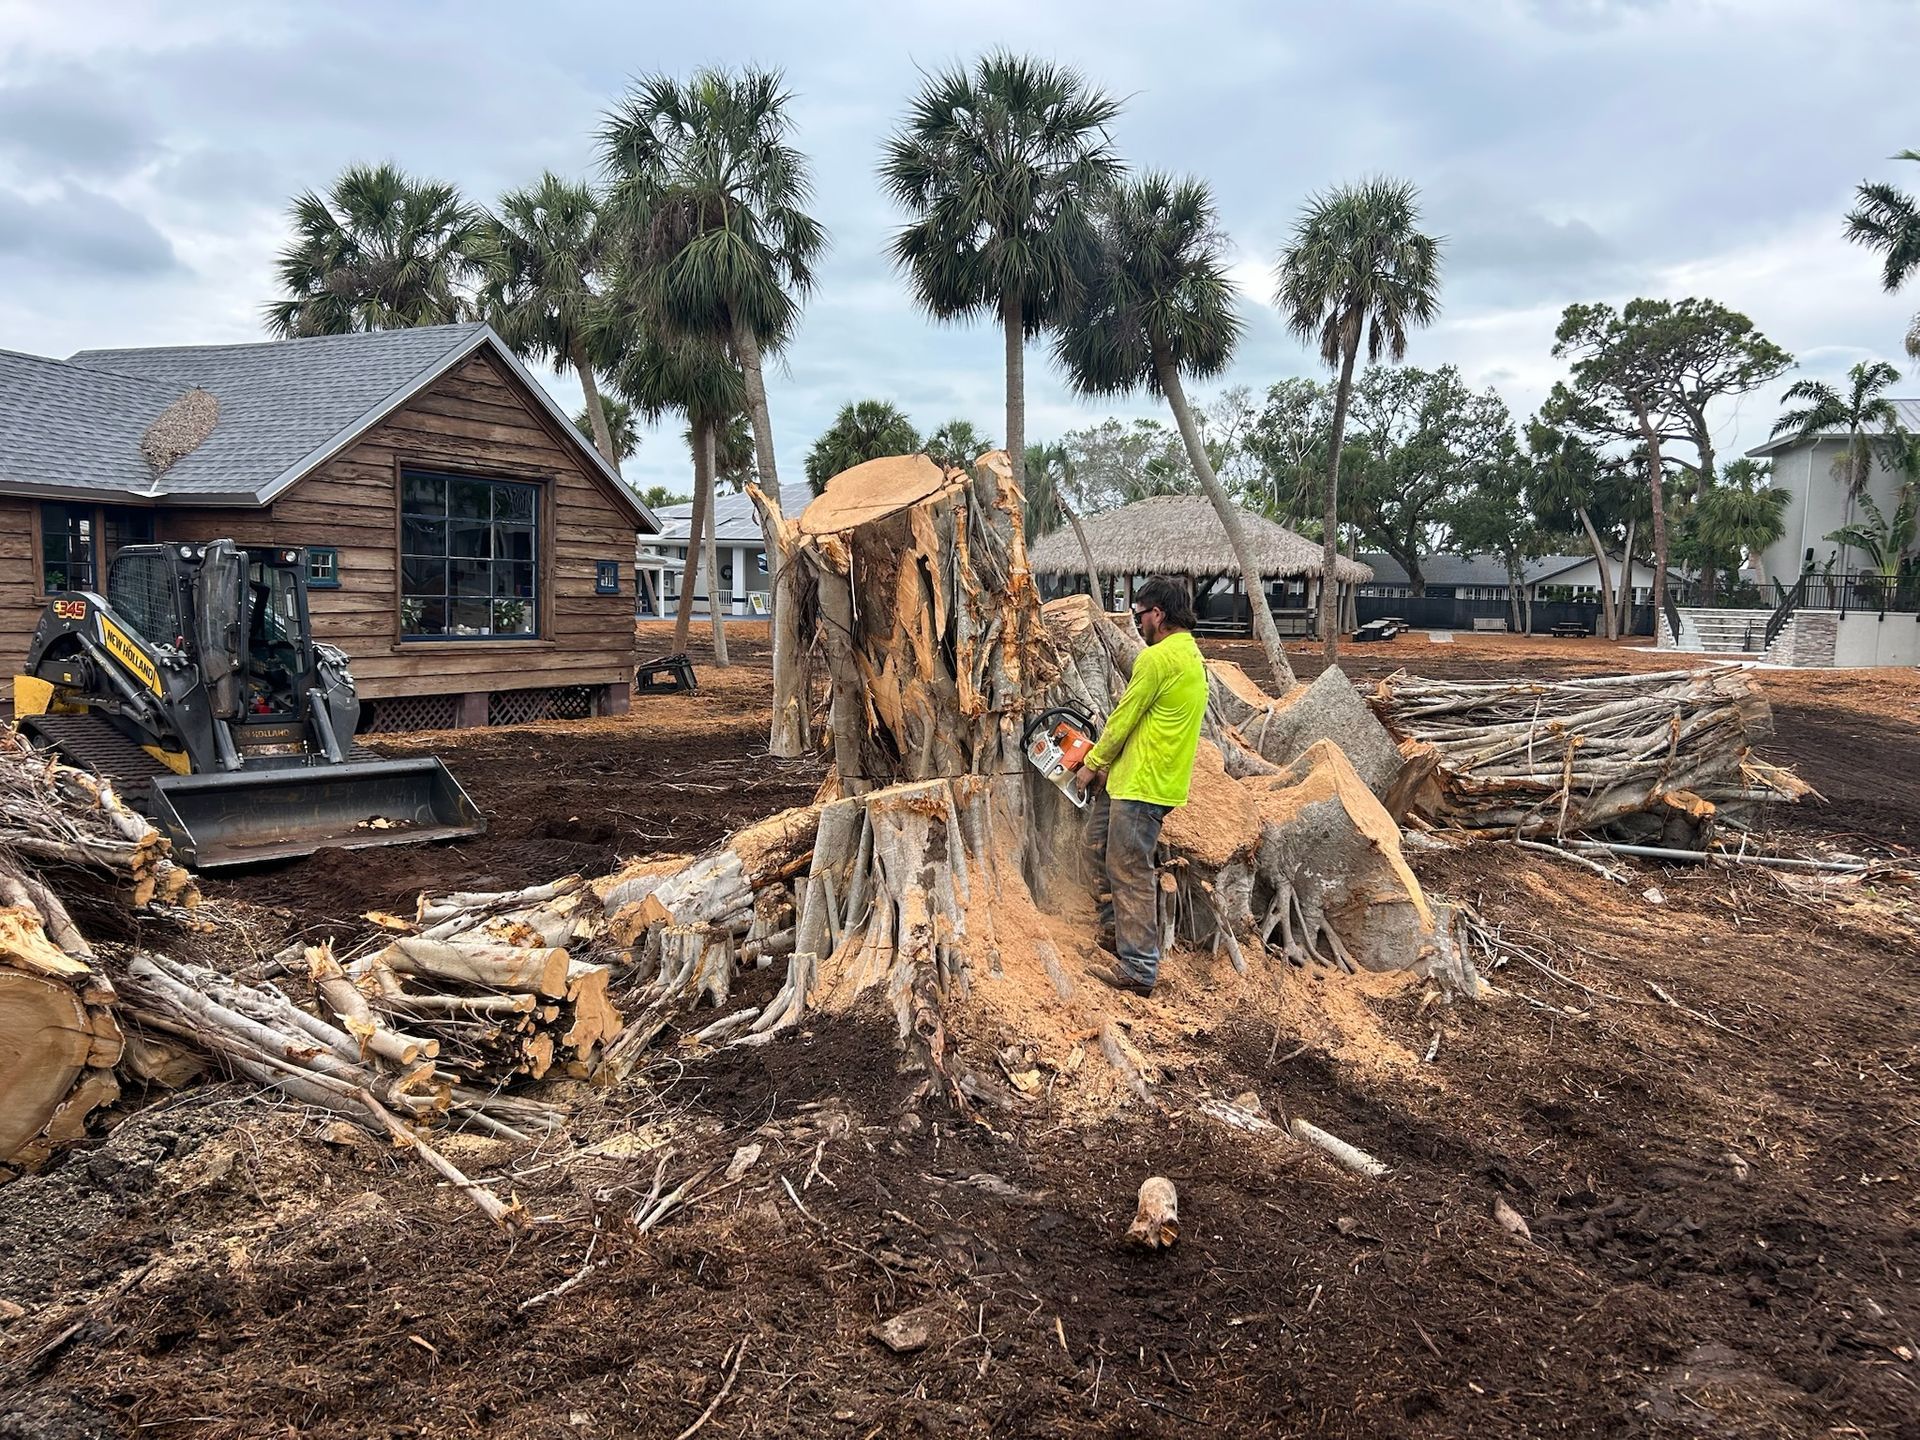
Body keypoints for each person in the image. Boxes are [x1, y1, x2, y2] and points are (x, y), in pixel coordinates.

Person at [1072, 577, 1209, 997]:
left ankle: (1139, 969)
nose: (1138, 622)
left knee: (1129, 871)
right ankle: (1116, 931)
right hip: (1141, 780)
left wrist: (1091, 763)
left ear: (1158, 615)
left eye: (1140, 614)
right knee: (1095, 845)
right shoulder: (1191, 656)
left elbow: (1124, 717)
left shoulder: (1158, 660)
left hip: (1142, 786)